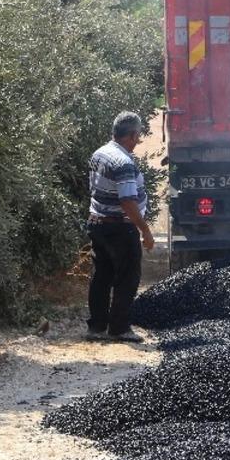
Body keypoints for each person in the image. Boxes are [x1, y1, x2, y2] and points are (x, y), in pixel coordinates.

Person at [86, 111, 154, 342]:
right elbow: (127, 201)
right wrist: (144, 229)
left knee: (101, 276)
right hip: (119, 228)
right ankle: (119, 328)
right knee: (127, 277)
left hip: (97, 223)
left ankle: (96, 327)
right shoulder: (123, 162)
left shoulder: (100, 153)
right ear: (133, 135)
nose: (138, 142)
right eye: (138, 137)